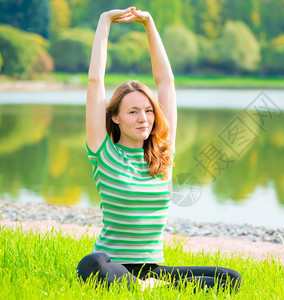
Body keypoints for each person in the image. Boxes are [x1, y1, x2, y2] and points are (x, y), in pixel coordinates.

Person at [76, 7, 241, 292]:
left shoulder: (162, 153)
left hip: (153, 266)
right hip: (112, 263)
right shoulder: (103, 152)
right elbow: (95, 82)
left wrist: (149, 24)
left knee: (230, 279)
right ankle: (148, 287)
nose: (143, 118)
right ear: (114, 116)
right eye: (133, 112)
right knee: (92, 265)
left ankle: (149, 285)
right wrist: (105, 21)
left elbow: (166, 81)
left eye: (148, 110)